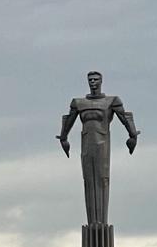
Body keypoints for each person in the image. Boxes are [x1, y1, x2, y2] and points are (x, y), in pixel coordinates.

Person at [58, 71, 139, 224]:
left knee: (102, 179)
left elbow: (125, 118)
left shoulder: (111, 101)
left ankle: (101, 222)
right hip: (87, 145)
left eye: (96, 79)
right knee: (88, 180)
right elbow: (68, 122)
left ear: (101, 81)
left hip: (103, 144)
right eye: (90, 80)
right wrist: (63, 138)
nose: (93, 82)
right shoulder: (78, 103)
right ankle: (93, 222)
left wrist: (132, 135)